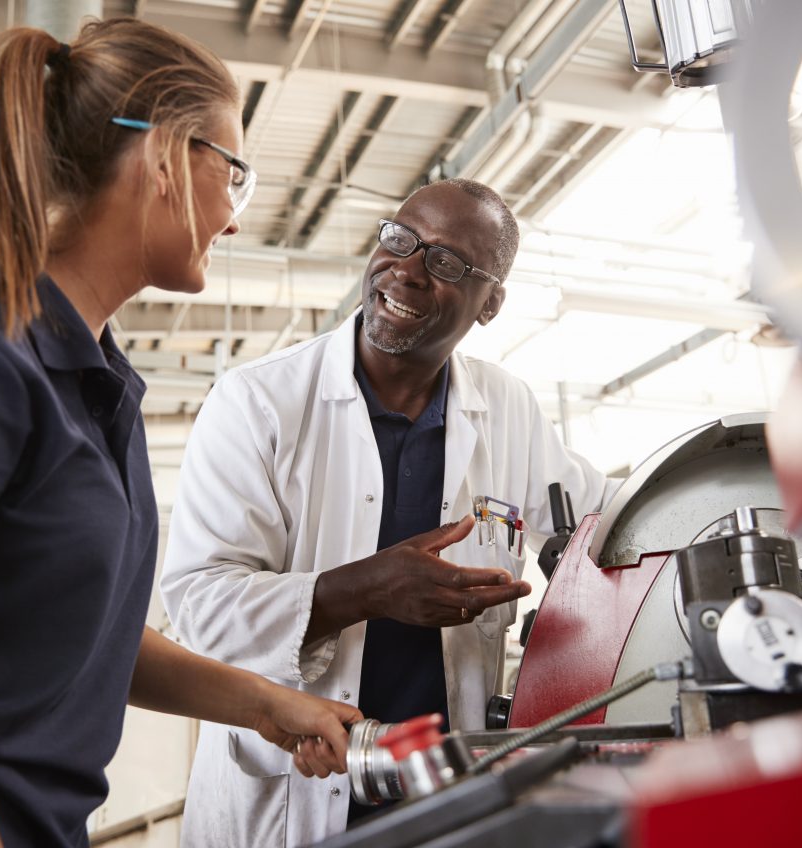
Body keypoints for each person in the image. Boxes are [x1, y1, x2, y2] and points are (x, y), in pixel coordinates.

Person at [0, 18, 360, 848]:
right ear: (163, 152)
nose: (234, 219)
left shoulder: (95, 381)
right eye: (232, 172)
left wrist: (266, 704)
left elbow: (77, 633)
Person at [160, 177, 612, 846]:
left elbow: (604, 521)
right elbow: (199, 605)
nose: (407, 270)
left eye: (447, 262)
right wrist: (368, 590)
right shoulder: (257, 404)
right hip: (291, 795)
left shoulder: (507, 407)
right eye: (401, 239)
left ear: (490, 304)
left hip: (440, 798)